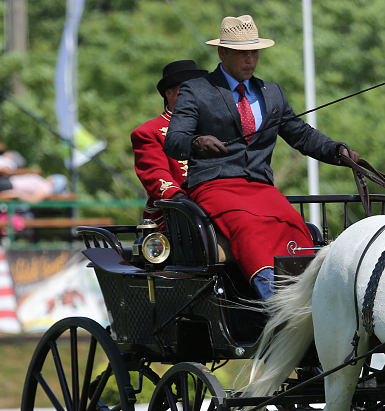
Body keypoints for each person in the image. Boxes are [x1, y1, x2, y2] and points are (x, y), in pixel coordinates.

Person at [164, 14, 359, 300]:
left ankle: (314, 300)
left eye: (254, 52)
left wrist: (336, 151)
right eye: (243, 53)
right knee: (248, 227)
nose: (250, 60)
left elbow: (301, 135)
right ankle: (277, 303)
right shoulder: (197, 90)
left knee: (295, 227)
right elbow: (173, 141)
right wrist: (197, 142)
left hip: (260, 186)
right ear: (222, 52)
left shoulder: (273, 93)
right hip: (215, 185)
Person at [131, 59, 208, 227]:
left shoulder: (213, 124)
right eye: (185, 90)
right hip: (175, 212)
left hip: (215, 202)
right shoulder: (149, 132)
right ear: (169, 94)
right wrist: (177, 196)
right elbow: (154, 172)